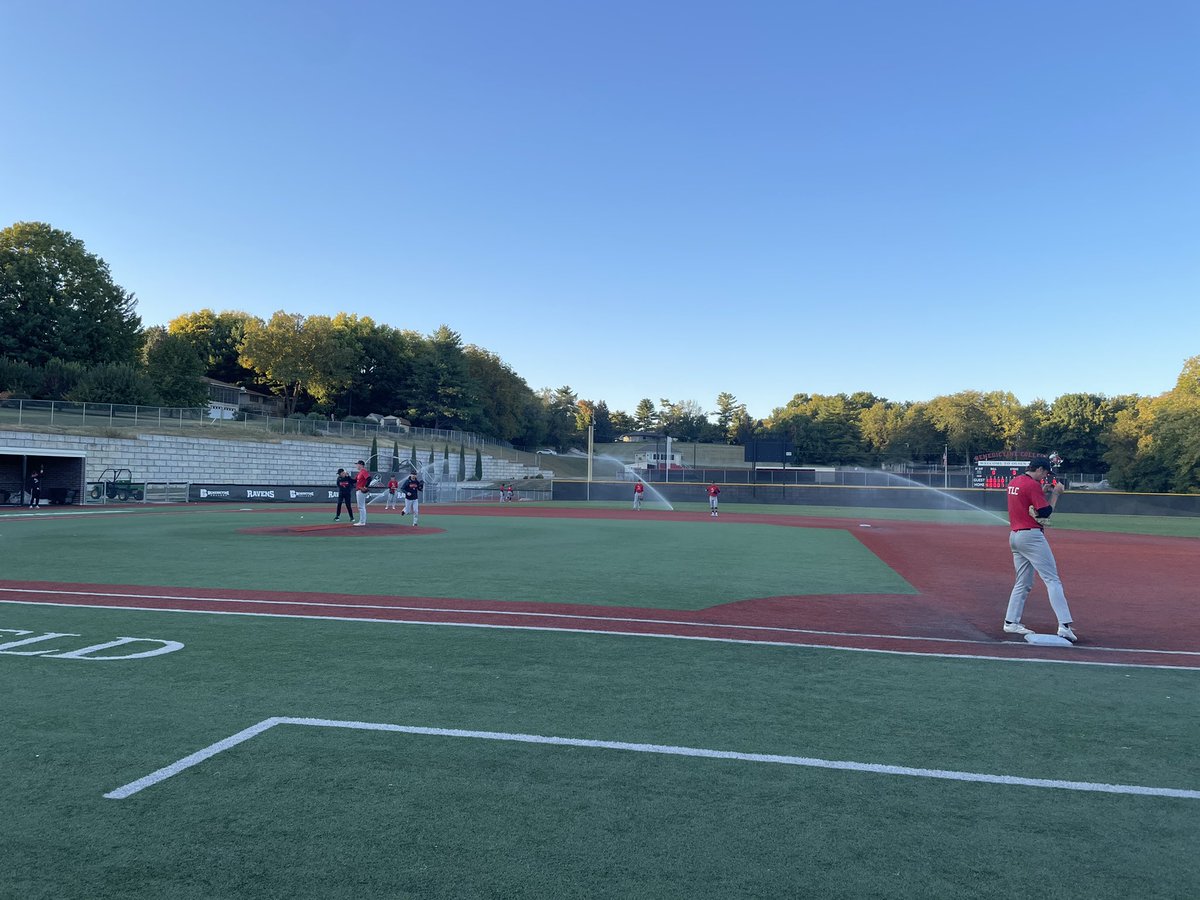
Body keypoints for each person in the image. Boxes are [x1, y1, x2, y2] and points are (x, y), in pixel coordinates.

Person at [1002, 456, 1077, 642]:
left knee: (1023, 582)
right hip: (1031, 537)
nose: (1045, 478)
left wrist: (1042, 492)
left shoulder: (1015, 481)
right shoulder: (1032, 485)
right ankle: (1064, 626)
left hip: (1015, 536)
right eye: (1045, 473)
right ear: (1040, 469)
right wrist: (1056, 494)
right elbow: (1045, 513)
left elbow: (1026, 501)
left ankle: (1011, 622)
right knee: (1052, 579)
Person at [353, 460, 372, 526]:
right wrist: (347, 477)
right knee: (361, 506)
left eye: (357, 464)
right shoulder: (359, 473)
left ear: (361, 465)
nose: (356, 465)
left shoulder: (363, 471)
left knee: (361, 507)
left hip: (361, 490)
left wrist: (365, 486)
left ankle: (362, 522)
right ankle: (362, 521)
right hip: (359, 490)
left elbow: (369, 478)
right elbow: (354, 480)